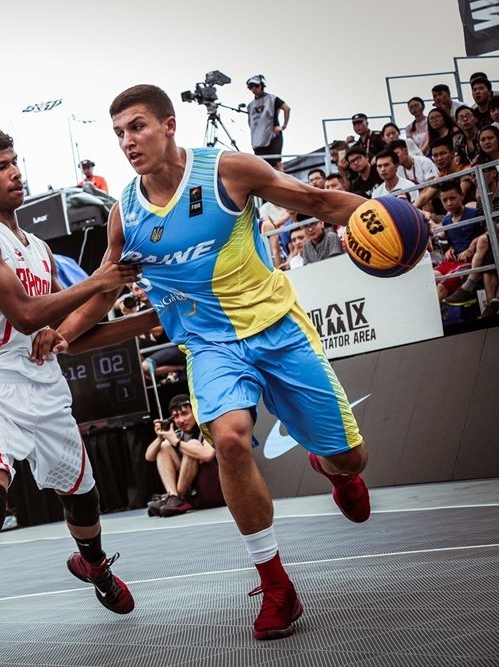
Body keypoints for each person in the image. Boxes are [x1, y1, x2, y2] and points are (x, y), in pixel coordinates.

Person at [52, 84, 373, 642]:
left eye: (137, 127)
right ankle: (276, 584)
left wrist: (385, 214)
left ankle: (334, 469)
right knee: (229, 440)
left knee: (352, 456)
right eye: (119, 133)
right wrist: (60, 333)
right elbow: (106, 289)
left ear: (169, 125)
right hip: (209, 346)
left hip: (276, 328)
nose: (128, 141)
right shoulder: (125, 214)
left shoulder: (228, 170)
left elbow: (318, 202)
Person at [0, 126, 137, 666]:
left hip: (44, 383)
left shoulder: (39, 249)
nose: (15, 173)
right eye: (1, 166)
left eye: (15, 162)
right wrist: (99, 280)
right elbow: (28, 315)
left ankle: (93, 564)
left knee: (82, 497)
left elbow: (65, 329)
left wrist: (149, 317)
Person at [145, 394, 223, 517]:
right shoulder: (178, 434)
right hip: (192, 492)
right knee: (164, 446)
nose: (181, 420)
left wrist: (176, 442)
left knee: (192, 444)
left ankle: (177, 498)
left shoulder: (207, 428)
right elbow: (149, 456)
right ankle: (173, 497)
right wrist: (161, 437)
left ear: (195, 412)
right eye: (176, 416)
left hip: (212, 490)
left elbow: (208, 455)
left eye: (185, 414)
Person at [246, 74, 290, 171]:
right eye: (251, 87)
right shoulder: (250, 105)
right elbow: (250, 121)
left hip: (272, 135)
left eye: (256, 85)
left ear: (262, 85)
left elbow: (287, 108)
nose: (254, 89)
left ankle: (282, 180)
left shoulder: (272, 98)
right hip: (257, 140)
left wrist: (283, 126)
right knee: (262, 167)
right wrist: (256, 131)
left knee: (276, 163)